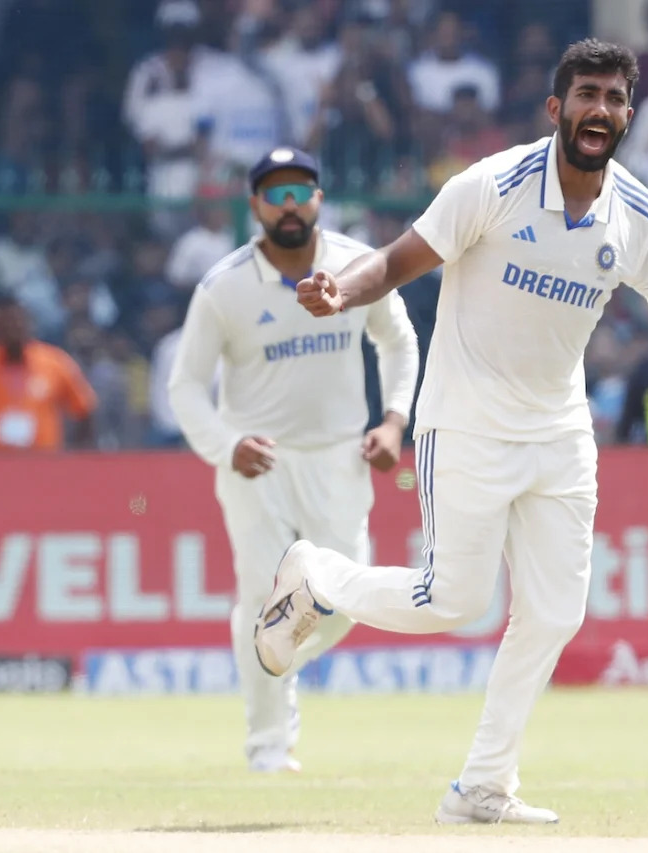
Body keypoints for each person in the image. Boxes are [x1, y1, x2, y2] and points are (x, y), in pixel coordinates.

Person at [256, 41, 648, 823]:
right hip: (467, 423)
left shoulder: (638, 213)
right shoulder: (494, 184)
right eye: (588, 95)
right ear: (557, 109)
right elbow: (393, 262)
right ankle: (318, 578)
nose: (601, 111)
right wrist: (337, 292)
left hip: (559, 433)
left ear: (627, 115)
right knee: (450, 598)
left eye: (616, 100)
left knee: (554, 613)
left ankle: (482, 786)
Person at [167, 147, 419, 774]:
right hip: (258, 463)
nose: (288, 205)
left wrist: (392, 419)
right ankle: (268, 747)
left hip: (339, 457)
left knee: (343, 596)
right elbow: (185, 387)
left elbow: (399, 342)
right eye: (273, 193)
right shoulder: (224, 287)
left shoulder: (354, 267)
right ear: (254, 205)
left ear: (319, 199)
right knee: (260, 595)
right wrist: (227, 447)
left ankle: (275, 662)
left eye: (299, 191)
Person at [0, 293, 97, 451]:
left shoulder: (55, 362)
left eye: (19, 322)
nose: (14, 328)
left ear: (29, 324)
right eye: (8, 323)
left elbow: (84, 409)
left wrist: (76, 455)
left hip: (43, 464)